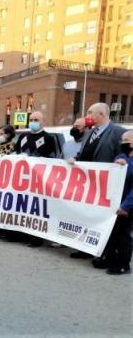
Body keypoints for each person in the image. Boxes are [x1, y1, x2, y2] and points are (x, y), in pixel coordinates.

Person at [69, 103, 127, 260]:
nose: (87, 116)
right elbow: (83, 152)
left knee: (105, 221)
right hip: (88, 185)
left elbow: (124, 154)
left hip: (107, 186)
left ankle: (106, 253)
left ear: (101, 114)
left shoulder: (118, 132)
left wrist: (120, 161)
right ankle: (85, 248)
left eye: (90, 112)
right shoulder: (89, 133)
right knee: (86, 216)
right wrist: (76, 158)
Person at [10, 111, 56, 247]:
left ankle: (35, 239)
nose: (33, 121)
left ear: (43, 122)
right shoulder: (23, 136)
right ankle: (19, 235)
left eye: (36, 119)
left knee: (35, 210)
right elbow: (16, 152)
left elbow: (52, 159)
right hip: (21, 179)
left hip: (38, 180)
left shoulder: (48, 138)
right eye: (31, 119)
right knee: (21, 207)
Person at [106, 131, 133, 275]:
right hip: (115, 203)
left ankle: (124, 264)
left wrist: (126, 206)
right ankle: (111, 260)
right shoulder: (121, 156)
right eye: (122, 140)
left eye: (127, 140)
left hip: (127, 206)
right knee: (112, 233)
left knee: (123, 235)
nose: (123, 143)